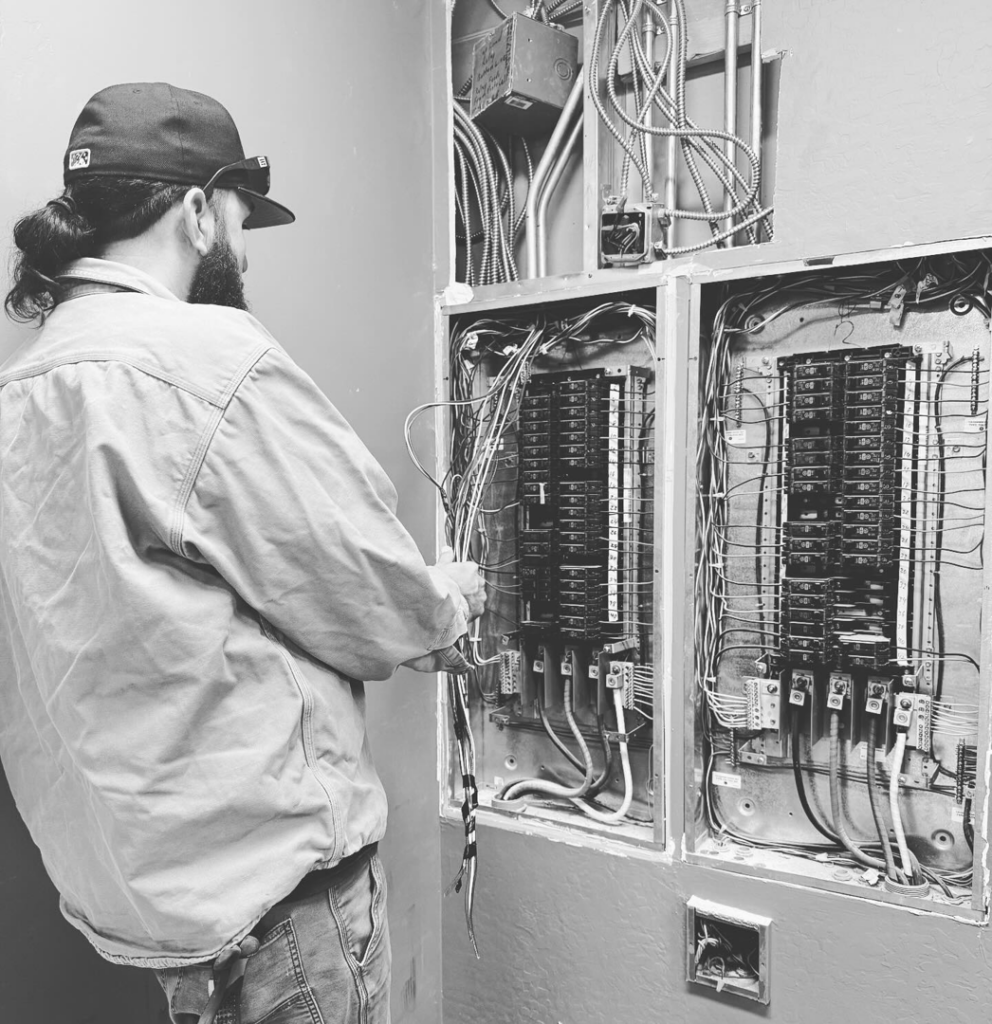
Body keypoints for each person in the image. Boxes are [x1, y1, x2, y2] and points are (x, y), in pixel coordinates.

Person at [0, 82, 484, 1024]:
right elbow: (367, 596)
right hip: (280, 905)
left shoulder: (18, 394)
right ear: (193, 212)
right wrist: (446, 603)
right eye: (237, 212)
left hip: (139, 905)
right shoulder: (208, 362)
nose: (243, 242)